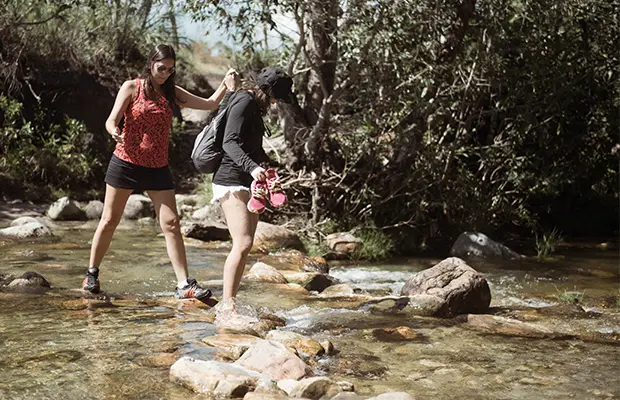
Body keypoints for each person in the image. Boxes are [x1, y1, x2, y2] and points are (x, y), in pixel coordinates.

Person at [82, 44, 237, 300]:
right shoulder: (131, 87)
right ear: (150, 64)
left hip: (157, 168)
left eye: (170, 69)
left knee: (172, 224)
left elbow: (210, 104)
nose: (165, 73)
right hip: (126, 162)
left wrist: (225, 83)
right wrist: (114, 132)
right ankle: (92, 274)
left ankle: (184, 285)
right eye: (161, 68)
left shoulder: (171, 92)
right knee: (109, 220)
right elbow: (111, 120)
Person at [212, 66, 295, 302]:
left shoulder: (255, 107)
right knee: (243, 242)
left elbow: (252, 147)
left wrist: (267, 167)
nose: (277, 102)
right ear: (267, 90)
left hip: (249, 180)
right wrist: (252, 167)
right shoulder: (244, 101)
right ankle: (227, 305)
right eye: (277, 97)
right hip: (230, 179)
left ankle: (231, 301)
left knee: (245, 245)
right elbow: (229, 142)